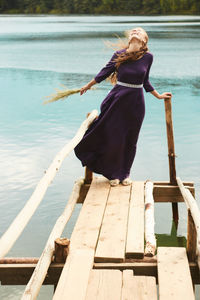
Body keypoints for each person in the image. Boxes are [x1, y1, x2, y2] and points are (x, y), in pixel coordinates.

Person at [74, 27, 172, 186]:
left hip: (136, 103)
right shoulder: (119, 54)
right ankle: (112, 174)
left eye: (139, 31)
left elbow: (145, 81)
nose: (135, 31)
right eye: (133, 31)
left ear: (144, 40)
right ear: (129, 38)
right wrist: (88, 85)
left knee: (131, 139)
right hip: (117, 100)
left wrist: (158, 96)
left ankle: (125, 173)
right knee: (114, 137)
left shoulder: (148, 57)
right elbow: (103, 73)